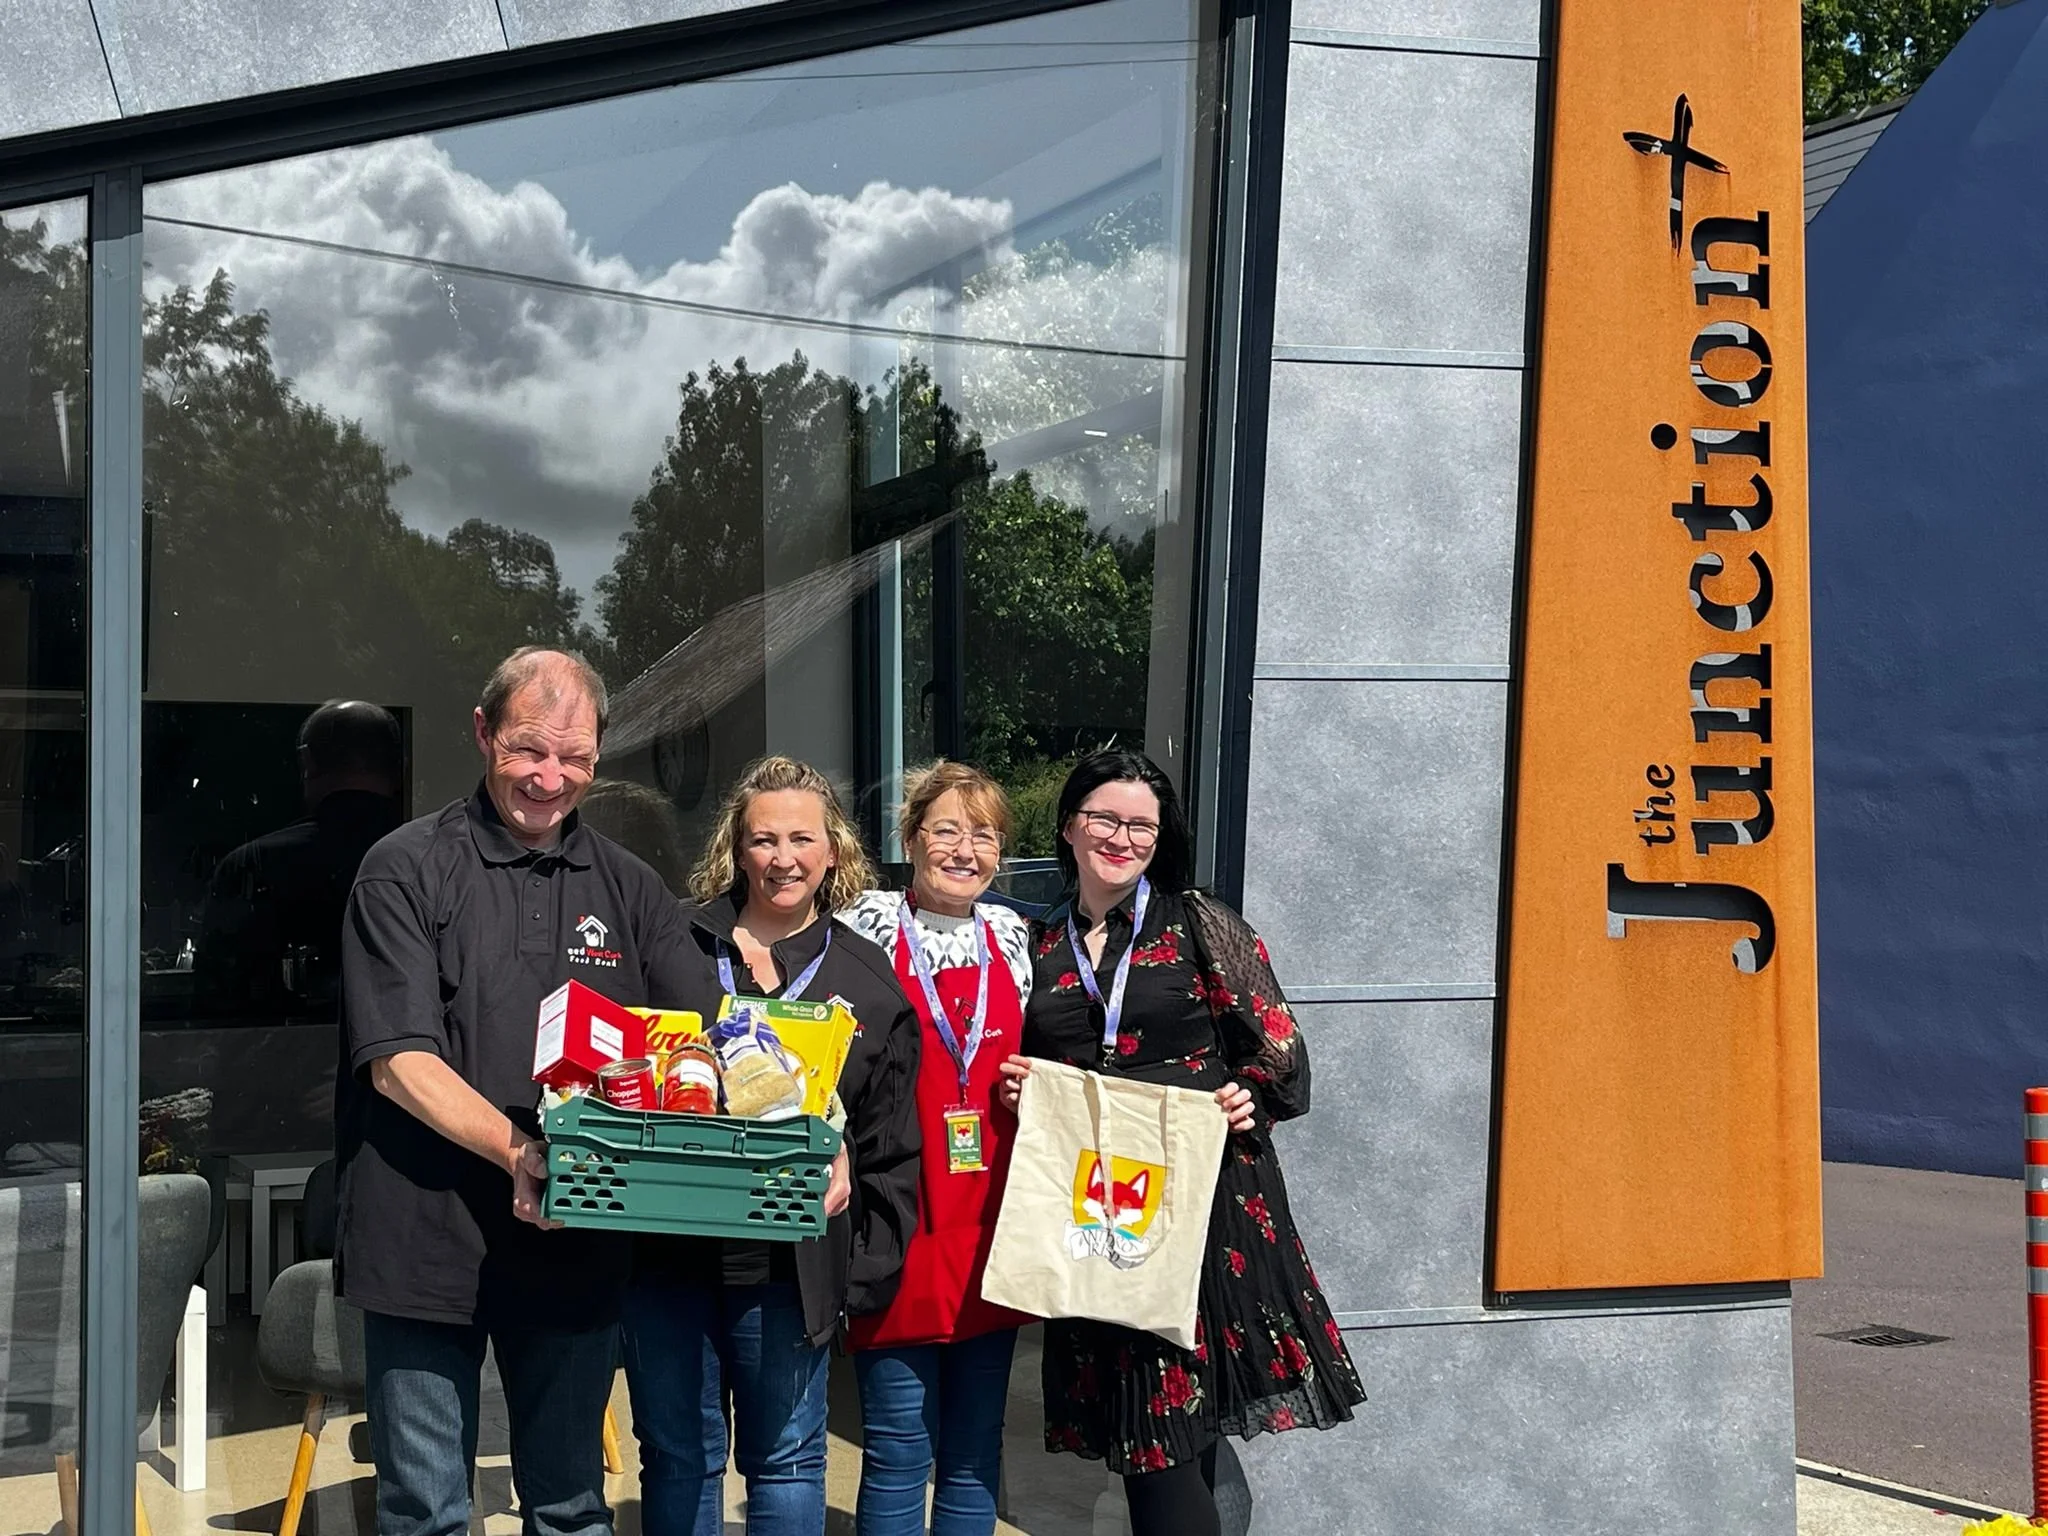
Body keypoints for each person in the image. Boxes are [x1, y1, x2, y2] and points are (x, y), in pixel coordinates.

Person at [336, 647, 698, 1536]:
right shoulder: (404, 868)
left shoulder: (630, 886)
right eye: (529, 750)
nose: (549, 777)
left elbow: (705, 1044)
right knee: (425, 1512)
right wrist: (521, 1154)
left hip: (576, 1243)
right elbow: (398, 1060)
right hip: (424, 1241)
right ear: (482, 732)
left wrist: (812, 1123)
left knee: (572, 1510)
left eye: (574, 758)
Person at [997, 749, 1365, 1536]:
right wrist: (1021, 1090)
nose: (1121, 837)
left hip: (1205, 1212)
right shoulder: (1037, 943)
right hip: (1102, 1215)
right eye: (1104, 817)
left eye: (1141, 825)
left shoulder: (1198, 921)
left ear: (1160, 841)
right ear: (1068, 826)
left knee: (1159, 1442)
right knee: (1175, 1437)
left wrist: (1247, 1092)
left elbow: (1285, 1058)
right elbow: (1023, 1061)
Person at [623, 755, 921, 1536]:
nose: (782, 858)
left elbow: (893, 1143)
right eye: (762, 839)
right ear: (736, 847)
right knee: (678, 1456)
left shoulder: (867, 977)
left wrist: (856, 1278)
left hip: (790, 1267)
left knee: (787, 1460)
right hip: (670, 1255)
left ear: (833, 851)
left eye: (801, 839)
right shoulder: (673, 946)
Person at [834, 761, 1035, 1536]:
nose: (965, 849)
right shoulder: (866, 928)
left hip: (991, 1224)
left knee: (975, 1447)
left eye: (983, 833)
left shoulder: (1016, 936)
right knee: (896, 1447)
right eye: (946, 828)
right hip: (900, 1217)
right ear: (911, 837)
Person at [196, 698, 406, 1016]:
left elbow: (222, 994)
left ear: (306, 762)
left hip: (282, 1055)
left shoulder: (255, 864)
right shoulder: (447, 861)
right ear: (400, 765)